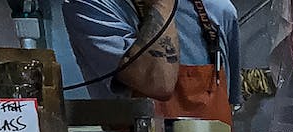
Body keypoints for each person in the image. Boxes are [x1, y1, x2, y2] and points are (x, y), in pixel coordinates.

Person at [64, 0, 239, 123]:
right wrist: (162, 4)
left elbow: (228, 107)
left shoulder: (218, 9)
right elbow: (158, 82)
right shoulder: (91, 6)